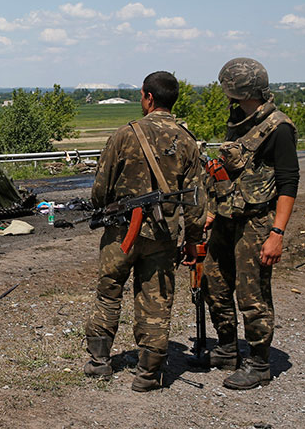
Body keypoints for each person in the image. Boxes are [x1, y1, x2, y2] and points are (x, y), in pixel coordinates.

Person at [82, 71, 207, 392]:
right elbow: (195, 201)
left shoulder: (124, 135)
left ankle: (99, 362)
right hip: (163, 237)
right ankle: (148, 374)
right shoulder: (187, 141)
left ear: (147, 97)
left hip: (120, 234)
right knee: (155, 301)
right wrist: (194, 241)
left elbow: (99, 191)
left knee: (109, 291)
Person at [193, 57, 299, 390]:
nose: (228, 98)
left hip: (257, 221)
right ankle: (226, 348)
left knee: (252, 293)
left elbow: (288, 182)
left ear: (243, 90)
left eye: (231, 91)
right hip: (226, 217)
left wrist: (277, 234)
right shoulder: (239, 119)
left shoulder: (279, 127)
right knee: (213, 282)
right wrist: (212, 210)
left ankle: (259, 362)